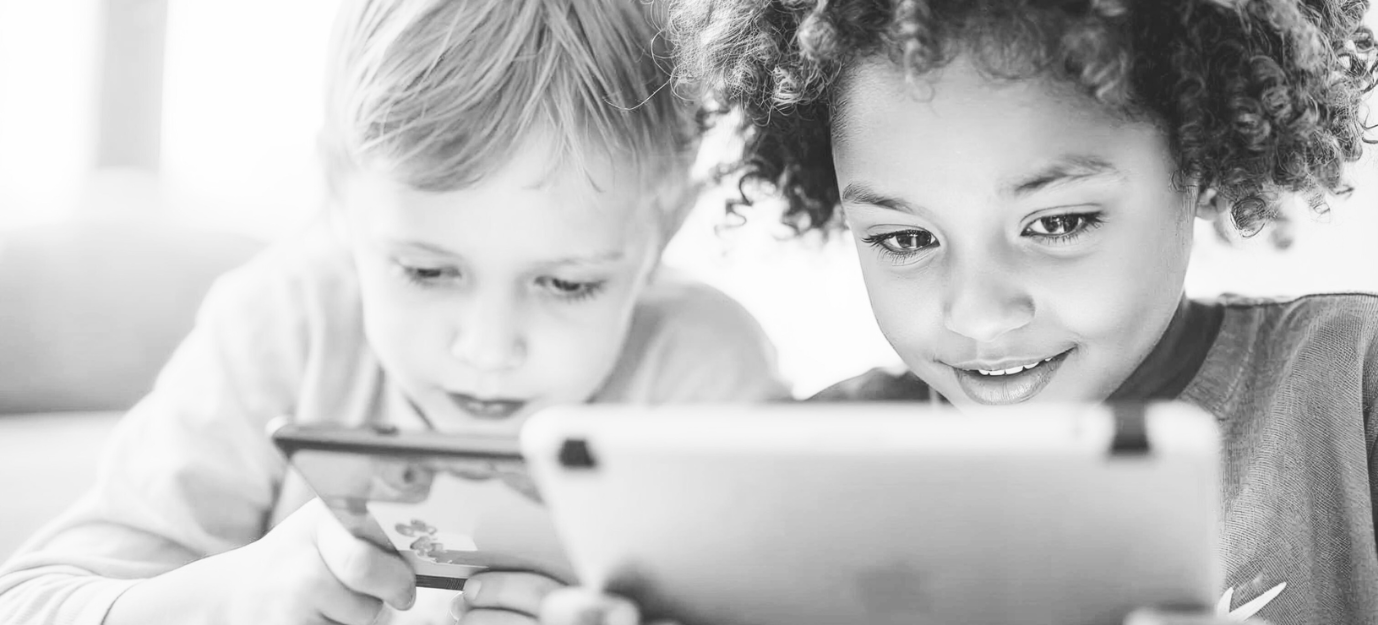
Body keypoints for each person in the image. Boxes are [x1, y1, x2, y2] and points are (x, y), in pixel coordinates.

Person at [520, 0, 1378, 623]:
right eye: (903, 239)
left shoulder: (1372, 391)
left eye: (1055, 222)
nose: (975, 312)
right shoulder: (811, 470)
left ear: (1200, 158)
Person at [0, 1, 787, 623]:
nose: (487, 348)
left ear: (665, 222)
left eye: (567, 284)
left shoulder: (703, 378)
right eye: (425, 269)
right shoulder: (286, 326)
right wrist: (220, 601)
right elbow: (32, 600)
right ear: (339, 197)